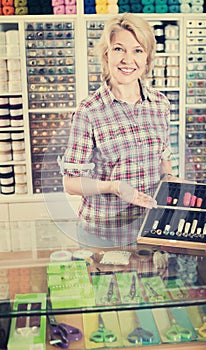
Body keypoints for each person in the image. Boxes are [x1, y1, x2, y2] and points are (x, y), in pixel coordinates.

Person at [60, 13, 176, 246]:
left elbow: (164, 159)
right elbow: (71, 184)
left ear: (147, 58)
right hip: (103, 233)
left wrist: (173, 181)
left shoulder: (160, 104)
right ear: (106, 54)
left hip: (149, 229)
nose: (127, 59)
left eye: (137, 50)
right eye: (119, 49)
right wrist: (113, 187)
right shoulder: (89, 111)